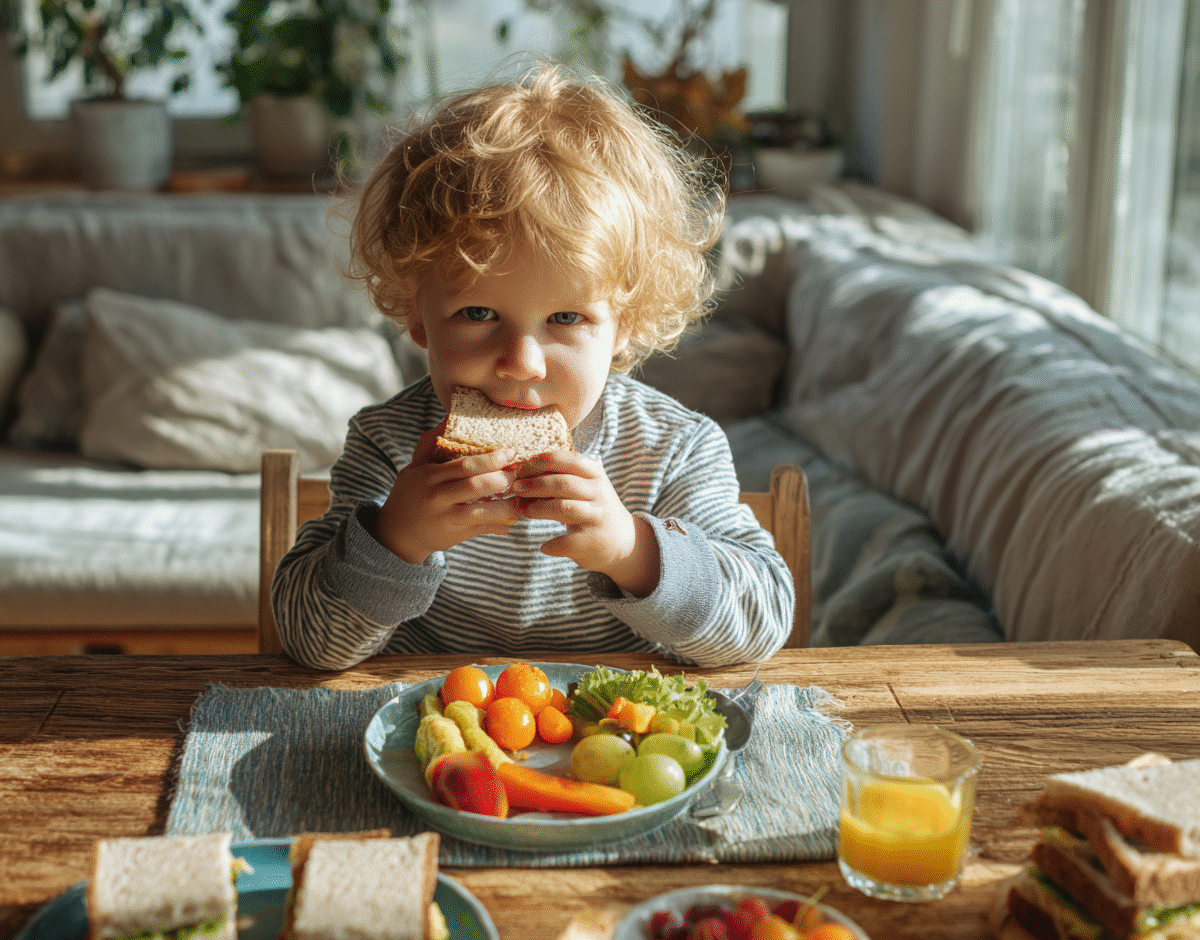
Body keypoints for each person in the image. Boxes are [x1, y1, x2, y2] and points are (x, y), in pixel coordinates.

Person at [272, 64, 794, 671]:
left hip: (613, 746)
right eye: (477, 312)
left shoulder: (675, 449)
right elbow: (309, 644)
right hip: (438, 739)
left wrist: (633, 551)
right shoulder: (387, 447)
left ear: (624, 324)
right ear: (419, 315)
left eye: (566, 319)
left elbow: (763, 624)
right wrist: (396, 540)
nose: (520, 364)